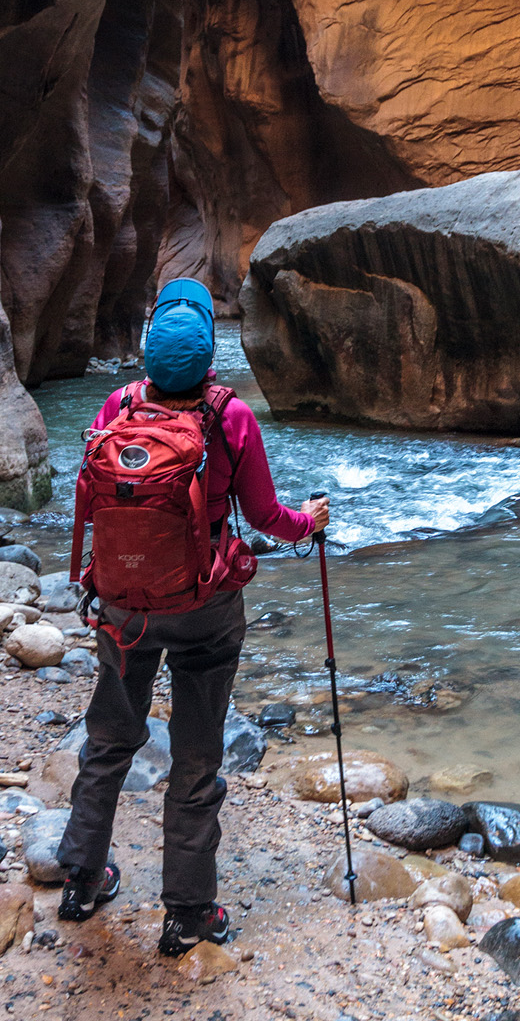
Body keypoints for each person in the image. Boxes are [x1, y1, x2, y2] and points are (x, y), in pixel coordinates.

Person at [56, 278, 329, 957]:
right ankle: (187, 914)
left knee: (109, 739)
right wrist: (310, 522)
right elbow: (266, 517)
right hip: (204, 606)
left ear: (150, 348)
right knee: (196, 757)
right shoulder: (229, 417)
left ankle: (81, 882)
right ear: (209, 350)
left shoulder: (117, 406)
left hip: (124, 603)